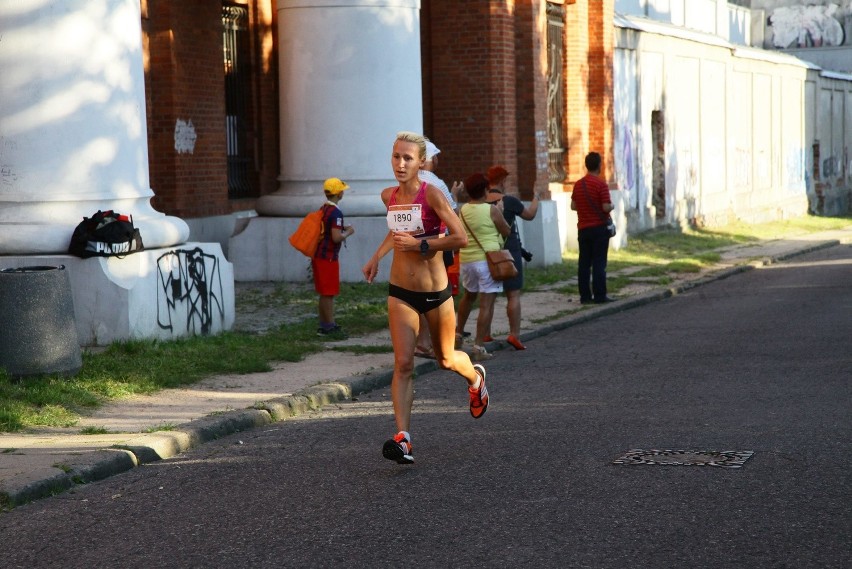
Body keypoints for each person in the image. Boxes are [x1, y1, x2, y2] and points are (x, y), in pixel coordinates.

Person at [362, 131, 489, 465]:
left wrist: (423, 245)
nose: (400, 164)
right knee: (403, 363)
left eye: (407, 158)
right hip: (400, 291)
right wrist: (377, 256)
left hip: (435, 292)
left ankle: (475, 379)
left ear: (420, 162)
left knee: (445, 358)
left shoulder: (431, 195)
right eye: (395, 157)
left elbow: (459, 237)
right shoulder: (388, 195)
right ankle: (403, 438)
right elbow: (395, 230)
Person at [413, 140, 463, 359]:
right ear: (427, 159)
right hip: (436, 245)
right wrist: (455, 196)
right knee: (438, 296)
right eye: (435, 156)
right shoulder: (434, 182)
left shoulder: (406, 182)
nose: (437, 161)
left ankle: (421, 342)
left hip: (410, 246)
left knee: (417, 295)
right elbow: (453, 216)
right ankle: (438, 344)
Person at [454, 172, 512, 361]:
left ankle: (458, 335)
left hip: (467, 260)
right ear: (486, 190)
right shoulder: (491, 210)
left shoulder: (463, 210)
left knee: (468, 297)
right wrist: (501, 211)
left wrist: (455, 195)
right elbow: (506, 230)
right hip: (488, 261)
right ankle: (478, 346)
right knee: (486, 303)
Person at [484, 165, 542, 350]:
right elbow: (530, 215)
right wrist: (536, 197)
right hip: (510, 252)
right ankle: (514, 335)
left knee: (489, 295)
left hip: (489, 252)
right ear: (502, 181)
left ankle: (485, 334)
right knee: (513, 294)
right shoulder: (509, 201)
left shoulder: (481, 203)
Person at [571, 151, 615, 304]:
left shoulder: (578, 184)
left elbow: (573, 206)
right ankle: (600, 295)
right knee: (599, 263)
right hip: (599, 229)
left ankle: (585, 296)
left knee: (584, 264)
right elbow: (605, 207)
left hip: (583, 229)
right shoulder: (601, 184)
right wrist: (612, 206)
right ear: (599, 166)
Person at [314, 177, 355, 336]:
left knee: (324, 293)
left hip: (319, 255)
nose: (343, 193)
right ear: (339, 194)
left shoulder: (323, 208)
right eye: (342, 190)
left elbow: (327, 227)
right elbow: (336, 237)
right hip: (328, 257)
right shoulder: (336, 212)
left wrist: (340, 227)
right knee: (328, 293)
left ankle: (324, 324)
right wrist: (349, 232)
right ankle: (329, 327)